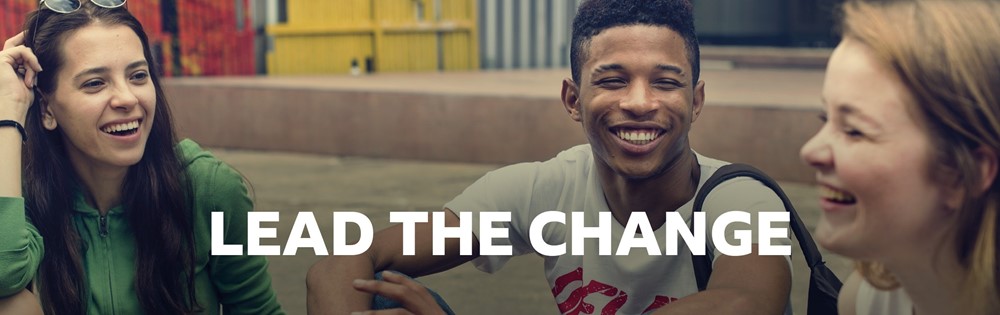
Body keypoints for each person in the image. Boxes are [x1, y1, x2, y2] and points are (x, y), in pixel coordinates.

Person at [307, 0, 793, 314]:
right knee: (382, 297)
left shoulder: (740, 200)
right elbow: (342, 261)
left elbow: (746, 304)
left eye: (665, 82)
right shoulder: (544, 189)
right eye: (612, 80)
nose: (640, 102)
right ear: (573, 100)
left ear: (696, 100)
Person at [0, 1, 285, 314]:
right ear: (46, 109)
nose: (127, 98)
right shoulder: (22, 193)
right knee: (12, 305)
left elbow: (256, 310)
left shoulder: (209, 188)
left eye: (137, 76)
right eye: (95, 83)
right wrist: (8, 113)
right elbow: (4, 275)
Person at [799, 0, 1000, 314]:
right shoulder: (867, 300)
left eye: (854, 131)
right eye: (826, 119)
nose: (810, 152)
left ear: (964, 173)